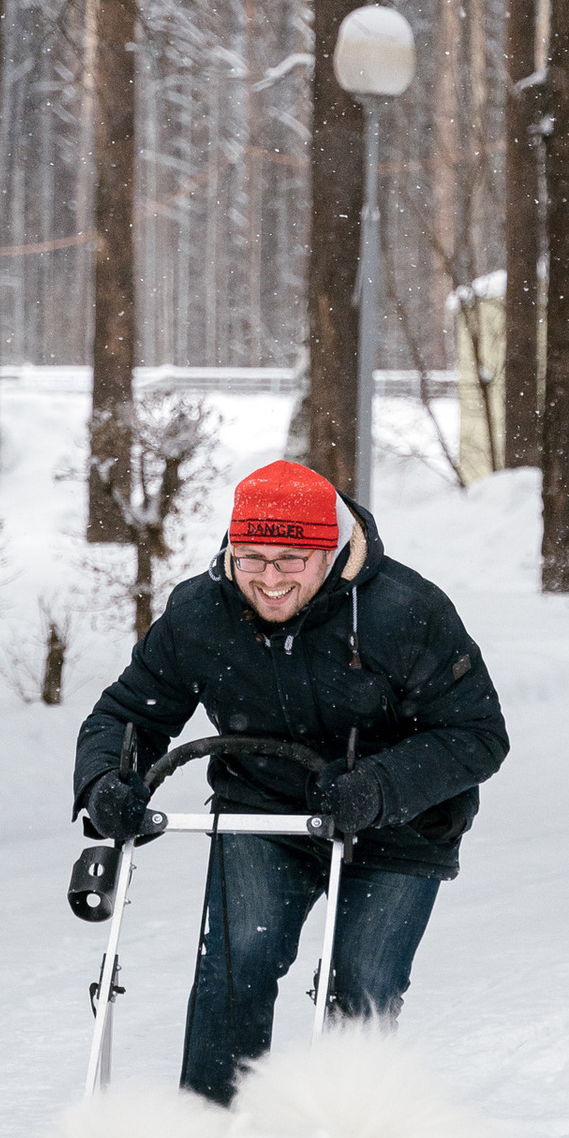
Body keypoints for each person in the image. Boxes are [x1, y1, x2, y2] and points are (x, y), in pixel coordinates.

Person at [71, 458, 509, 1103]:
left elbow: (477, 734)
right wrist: (105, 782)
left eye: (290, 561)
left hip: (400, 822)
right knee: (234, 970)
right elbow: (127, 713)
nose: (269, 580)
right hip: (263, 810)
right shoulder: (201, 614)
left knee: (361, 984)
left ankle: (347, 1135)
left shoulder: (405, 612)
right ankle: (211, 1132)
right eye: (251, 558)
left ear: (329, 553)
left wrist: (378, 787)